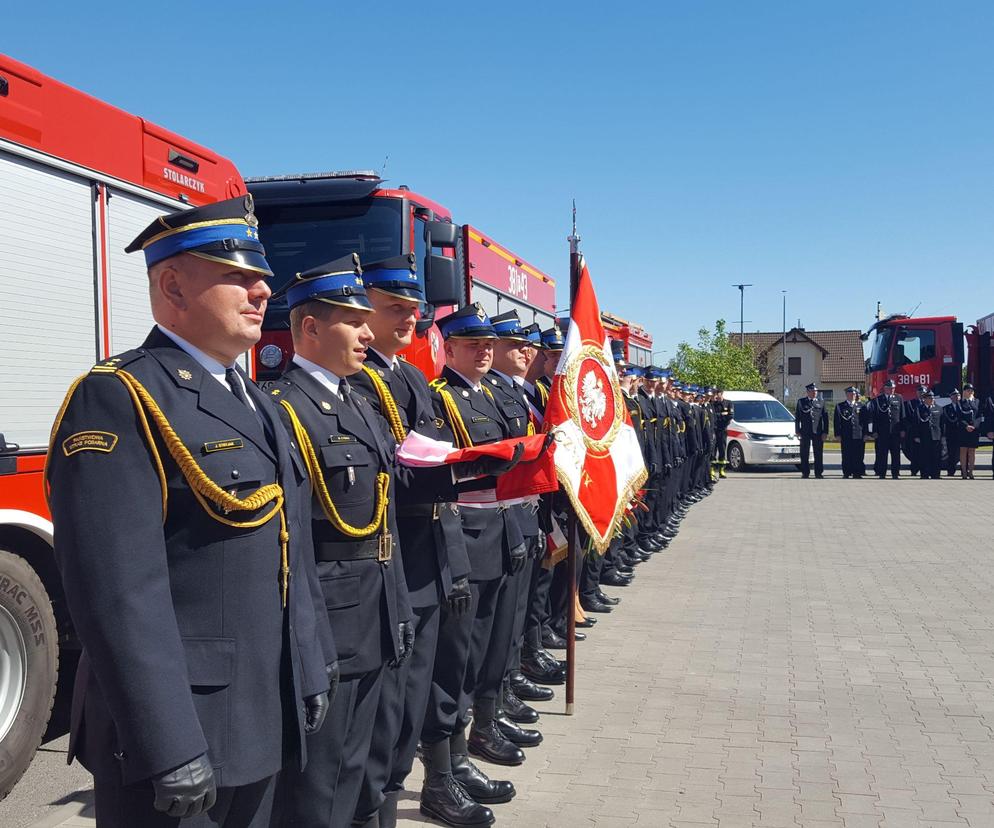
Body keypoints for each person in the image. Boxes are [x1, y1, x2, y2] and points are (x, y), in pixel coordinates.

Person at [46, 196, 332, 827]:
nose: (262, 290)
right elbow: (116, 593)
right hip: (182, 730)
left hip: (260, 711)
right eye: (237, 275)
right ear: (172, 284)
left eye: (261, 276)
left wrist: (309, 666)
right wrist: (166, 741)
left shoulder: (257, 403)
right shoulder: (120, 397)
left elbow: (292, 552)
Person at [268, 254, 416, 828]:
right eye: (353, 321)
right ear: (309, 327)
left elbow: (386, 521)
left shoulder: (360, 399)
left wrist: (397, 605)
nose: (367, 332)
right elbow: (292, 542)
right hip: (331, 622)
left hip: (375, 612)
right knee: (318, 786)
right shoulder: (285, 409)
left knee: (360, 771)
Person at [346, 255, 488, 828]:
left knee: (421, 698)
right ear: (363, 311)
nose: (408, 318)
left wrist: (454, 567)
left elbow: (434, 482)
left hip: (431, 562)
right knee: (388, 714)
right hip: (395, 565)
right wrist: (472, 469)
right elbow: (399, 477)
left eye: (414, 309)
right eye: (394, 308)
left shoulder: (407, 377)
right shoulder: (358, 381)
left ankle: (427, 785)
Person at [870, 379, 905, 478]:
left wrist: (902, 429)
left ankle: (895, 473)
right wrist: (874, 431)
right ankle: (882, 473)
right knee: (882, 454)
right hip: (882, 432)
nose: (892, 390)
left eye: (893, 388)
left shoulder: (899, 398)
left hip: (895, 432)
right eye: (890, 388)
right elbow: (874, 417)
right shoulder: (878, 400)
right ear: (885, 388)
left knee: (896, 454)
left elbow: (902, 415)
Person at [794, 382, 828, 478]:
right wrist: (797, 431)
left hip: (817, 431)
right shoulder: (801, 402)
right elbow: (797, 418)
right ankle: (805, 472)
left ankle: (818, 473)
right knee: (804, 453)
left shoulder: (821, 402)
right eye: (813, 391)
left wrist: (825, 432)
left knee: (818, 453)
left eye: (816, 391)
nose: (815, 393)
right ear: (808, 392)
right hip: (805, 431)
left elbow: (825, 418)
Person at [834, 386, 866, 478]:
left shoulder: (861, 406)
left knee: (858, 455)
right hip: (846, 435)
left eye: (854, 394)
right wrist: (838, 434)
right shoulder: (840, 406)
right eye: (851, 394)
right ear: (847, 394)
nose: (853, 395)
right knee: (846, 455)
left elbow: (865, 421)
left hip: (858, 435)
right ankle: (847, 472)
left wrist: (866, 434)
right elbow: (837, 422)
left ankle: (857, 473)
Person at [911, 389, 944, 479]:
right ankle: (924, 474)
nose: (932, 399)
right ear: (924, 399)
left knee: (936, 456)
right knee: (924, 456)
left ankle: (935, 474)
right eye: (929, 398)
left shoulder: (939, 408)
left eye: (933, 398)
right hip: (924, 436)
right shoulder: (919, 409)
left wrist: (942, 436)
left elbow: (942, 424)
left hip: (936, 436)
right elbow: (915, 424)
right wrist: (916, 436)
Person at [958, 383, 981, 479]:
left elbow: (979, 416)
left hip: (974, 430)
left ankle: (971, 472)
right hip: (964, 429)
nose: (970, 392)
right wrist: (966, 426)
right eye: (968, 390)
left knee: (972, 451)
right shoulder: (960, 402)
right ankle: (963, 472)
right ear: (964, 392)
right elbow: (959, 416)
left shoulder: (976, 401)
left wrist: (974, 426)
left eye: (971, 390)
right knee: (963, 451)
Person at [711, 389, 733, 479]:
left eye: (718, 394)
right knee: (713, 449)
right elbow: (712, 416)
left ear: (722, 394)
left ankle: (721, 470)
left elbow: (730, 416)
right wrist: (722, 415)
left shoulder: (728, 403)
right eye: (715, 394)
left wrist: (720, 417)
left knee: (722, 449)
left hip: (722, 429)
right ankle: (712, 469)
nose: (717, 396)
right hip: (714, 429)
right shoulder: (713, 404)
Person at [943, 388, 963, 477]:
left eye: (958, 395)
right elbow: (949, 420)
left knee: (963, 454)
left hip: (962, 434)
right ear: (950, 397)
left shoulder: (964, 406)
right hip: (951, 434)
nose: (957, 397)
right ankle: (951, 471)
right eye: (954, 395)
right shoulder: (946, 408)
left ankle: (964, 471)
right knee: (951, 454)